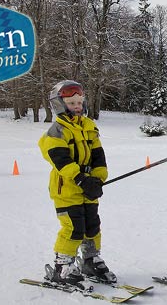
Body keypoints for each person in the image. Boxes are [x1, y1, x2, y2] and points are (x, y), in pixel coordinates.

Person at [38, 80, 115, 288]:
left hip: (88, 189)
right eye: (72, 103)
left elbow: (99, 157)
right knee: (73, 227)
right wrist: (81, 179)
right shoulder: (56, 132)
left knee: (92, 225)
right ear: (60, 105)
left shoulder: (89, 127)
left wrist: (98, 179)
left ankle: (90, 260)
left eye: (79, 102)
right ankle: (62, 266)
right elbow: (61, 160)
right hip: (67, 189)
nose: (77, 106)